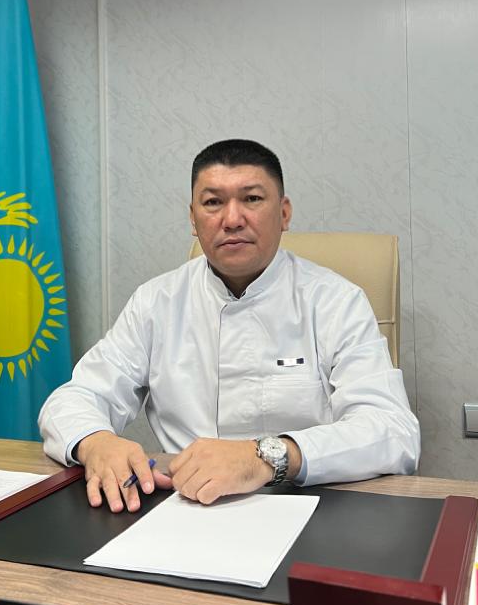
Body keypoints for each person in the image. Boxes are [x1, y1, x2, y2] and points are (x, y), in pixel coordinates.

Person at [39, 139, 420, 512]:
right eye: (213, 203)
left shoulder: (335, 301)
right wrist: (96, 442)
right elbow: (75, 398)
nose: (233, 219)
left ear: (284, 213)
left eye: (252, 199)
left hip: (307, 506)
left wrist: (267, 457)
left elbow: (392, 430)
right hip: (185, 509)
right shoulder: (157, 301)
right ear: (193, 218)